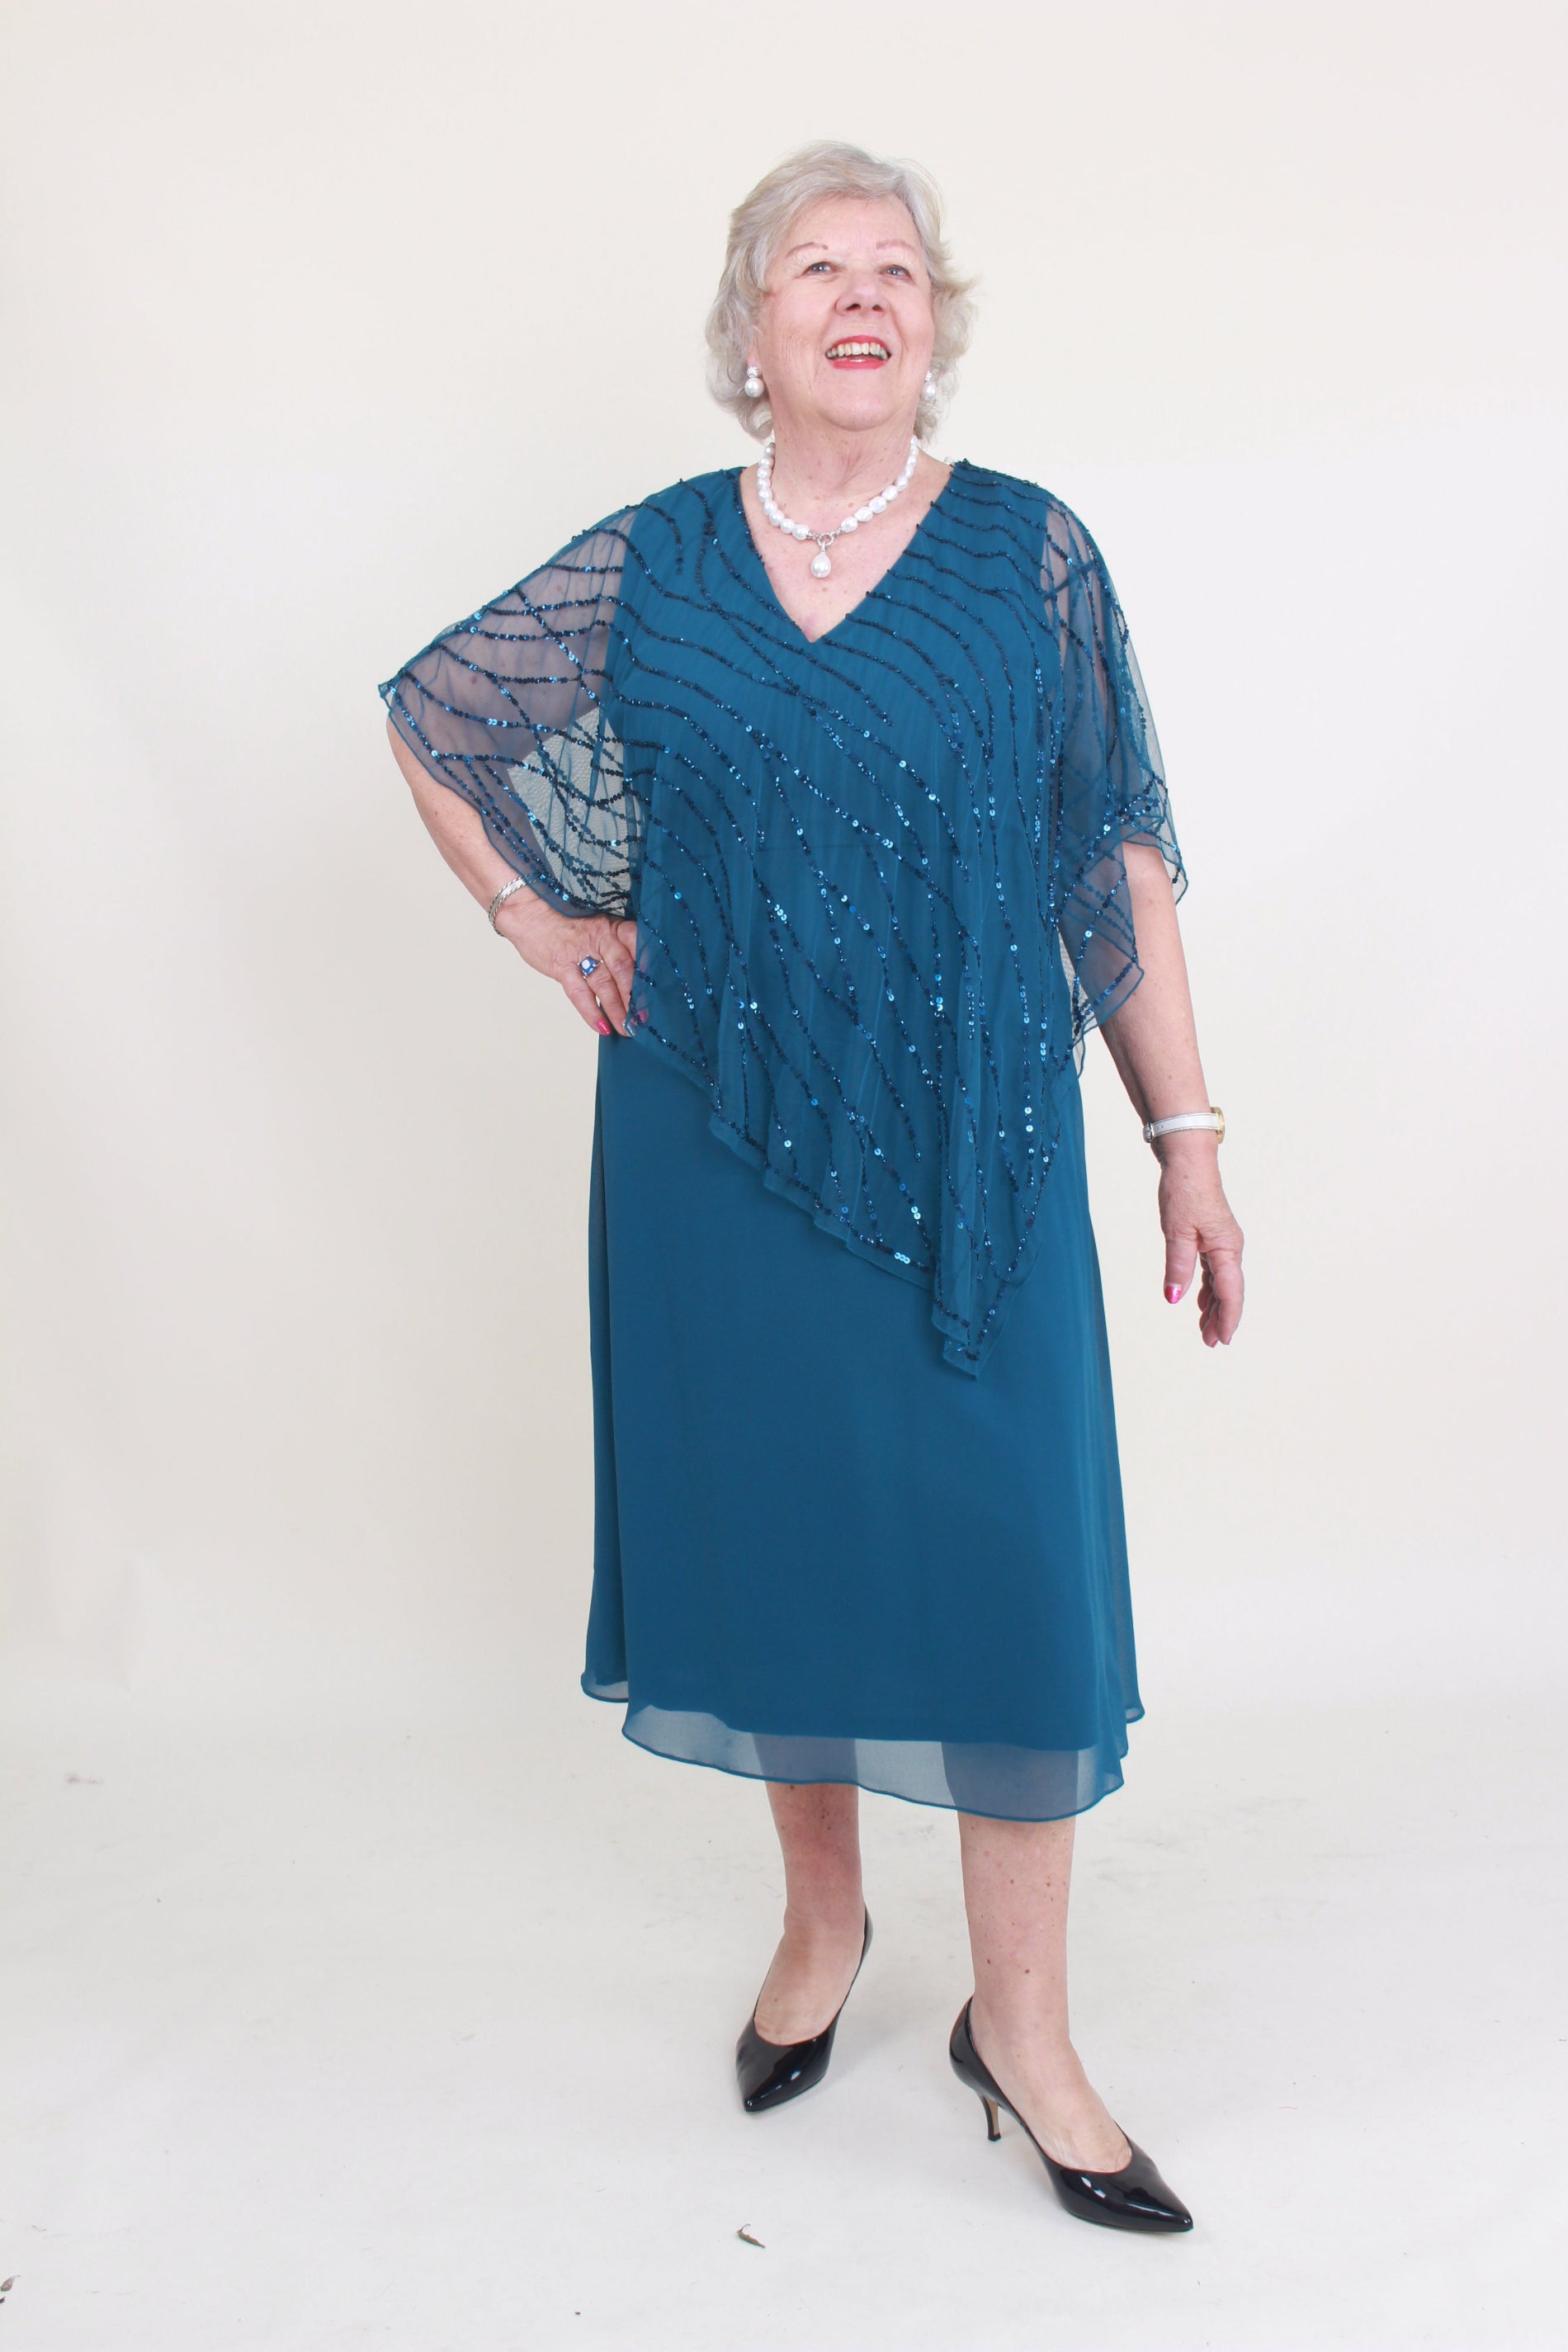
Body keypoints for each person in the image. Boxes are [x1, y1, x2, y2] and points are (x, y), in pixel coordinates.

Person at [381, 140, 1244, 2236]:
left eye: (894, 271)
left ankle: (1022, 2036)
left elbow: (1101, 858)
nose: (859, 297)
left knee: (1005, 1575)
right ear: (748, 328)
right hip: (710, 1130)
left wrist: (1187, 1137)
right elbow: (434, 717)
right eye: (811, 269)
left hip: (979, 1138)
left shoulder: (1030, 553)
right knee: (771, 1541)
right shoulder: (662, 559)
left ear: (928, 327)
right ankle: (821, 1932)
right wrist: (538, 924)